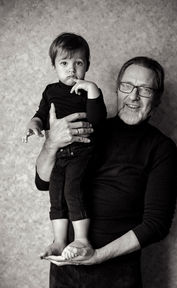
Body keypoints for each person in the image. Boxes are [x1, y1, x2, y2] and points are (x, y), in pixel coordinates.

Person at [35, 56, 177, 288]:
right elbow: (43, 181)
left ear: (157, 98)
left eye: (145, 89)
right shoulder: (89, 127)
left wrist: (97, 257)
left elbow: (157, 225)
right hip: (65, 272)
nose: (133, 96)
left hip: (117, 277)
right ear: (116, 89)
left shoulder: (161, 148)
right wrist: (52, 144)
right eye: (127, 86)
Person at [23, 32, 107, 259]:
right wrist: (34, 123)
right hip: (60, 153)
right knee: (56, 193)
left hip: (83, 151)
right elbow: (40, 114)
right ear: (54, 66)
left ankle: (81, 239)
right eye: (64, 63)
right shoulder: (50, 91)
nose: (72, 69)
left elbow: (98, 120)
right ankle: (59, 241)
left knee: (73, 189)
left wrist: (92, 90)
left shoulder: (88, 89)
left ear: (87, 66)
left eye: (78, 63)